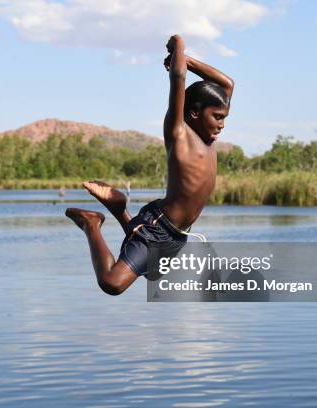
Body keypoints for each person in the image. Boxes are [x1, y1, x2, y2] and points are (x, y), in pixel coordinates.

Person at [65, 34, 234, 295]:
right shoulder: (179, 134)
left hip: (178, 232)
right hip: (158, 224)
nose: (222, 124)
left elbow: (227, 83)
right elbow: (178, 78)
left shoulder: (208, 139)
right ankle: (91, 223)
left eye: (224, 118)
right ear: (195, 113)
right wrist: (178, 45)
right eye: (218, 117)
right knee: (113, 283)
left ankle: (119, 209)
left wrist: (188, 61)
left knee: (152, 274)